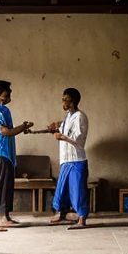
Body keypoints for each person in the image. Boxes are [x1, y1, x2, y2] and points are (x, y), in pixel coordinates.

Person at [0, 80, 34, 232]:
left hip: (7, 155)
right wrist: (22, 127)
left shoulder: (5, 110)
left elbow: (11, 131)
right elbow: (5, 131)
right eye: (7, 93)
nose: (9, 95)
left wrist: (21, 128)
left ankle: (5, 217)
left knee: (7, 187)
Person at [47, 87, 89, 229]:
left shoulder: (80, 116)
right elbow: (65, 129)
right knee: (62, 189)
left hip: (77, 160)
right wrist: (56, 128)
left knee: (78, 191)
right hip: (65, 159)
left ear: (74, 101)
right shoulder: (68, 116)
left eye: (66, 100)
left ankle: (82, 219)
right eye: (63, 99)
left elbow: (78, 138)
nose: (63, 103)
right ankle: (61, 213)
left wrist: (62, 137)